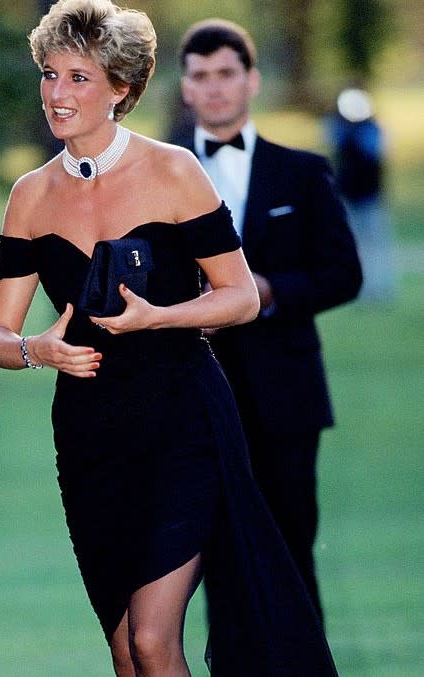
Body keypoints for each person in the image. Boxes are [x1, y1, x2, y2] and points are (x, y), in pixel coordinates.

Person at [0, 1, 339, 674]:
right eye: (49, 74)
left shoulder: (174, 170)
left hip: (183, 422)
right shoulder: (28, 195)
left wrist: (160, 316)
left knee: (153, 640)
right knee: (124, 652)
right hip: (88, 436)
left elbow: (235, 298)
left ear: (120, 87)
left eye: (78, 78)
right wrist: (38, 350)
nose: (57, 94)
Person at [172, 18, 363, 623]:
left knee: (290, 552)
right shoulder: (159, 178)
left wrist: (268, 289)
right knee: (215, 555)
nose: (215, 88)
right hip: (197, 397)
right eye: (201, 76)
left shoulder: (302, 172)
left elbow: (344, 273)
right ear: (184, 87)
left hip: (286, 396)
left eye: (226, 73)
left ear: (251, 80)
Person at [325, 86, 396, 303]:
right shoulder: (340, 128)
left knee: (376, 243)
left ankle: (381, 288)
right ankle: (359, 287)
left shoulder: (372, 129)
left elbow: (373, 152)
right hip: (348, 195)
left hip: (371, 196)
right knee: (352, 244)